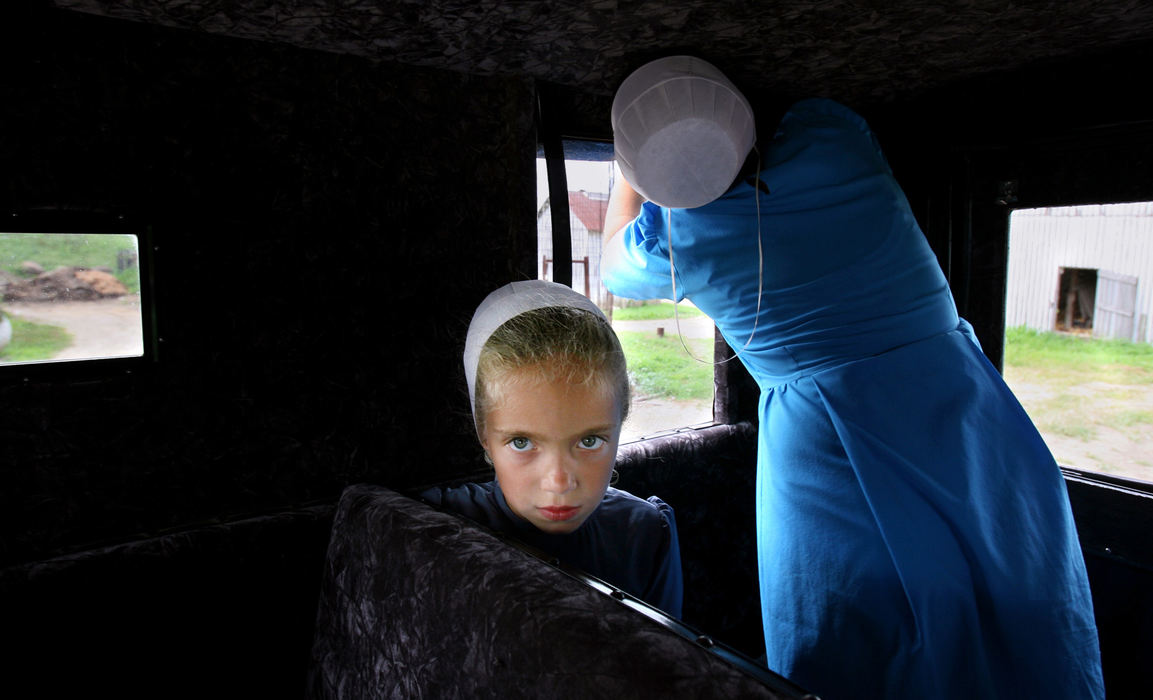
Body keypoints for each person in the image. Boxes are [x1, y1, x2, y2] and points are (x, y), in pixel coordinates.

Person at [601, 56, 1103, 699]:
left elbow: (614, 260)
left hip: (827, 443)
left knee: (851, 644)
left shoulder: (678, 235)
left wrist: (631, 176)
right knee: (1018, 602)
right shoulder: (831, 139)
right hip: (962, 407)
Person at [420, 279, 684, 618]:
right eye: (522, 442)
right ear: (484, 435)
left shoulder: (644, 534)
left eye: (589, 441)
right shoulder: (434, 529)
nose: (559, 482)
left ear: (621, 424)